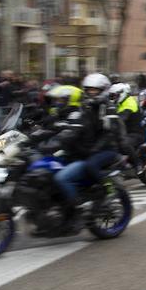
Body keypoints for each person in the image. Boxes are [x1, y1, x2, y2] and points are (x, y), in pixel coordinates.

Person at [50, 73, 117, 226]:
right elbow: (73, 128)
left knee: (83, 168)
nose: (91, 93)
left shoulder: (108, 108)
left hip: (106, 149)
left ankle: (102, 191)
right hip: (85, 150)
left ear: (103, 90)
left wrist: (94, 149)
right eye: (88, 90)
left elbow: (110, 133)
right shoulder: (84, 107)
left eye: (95, 90)